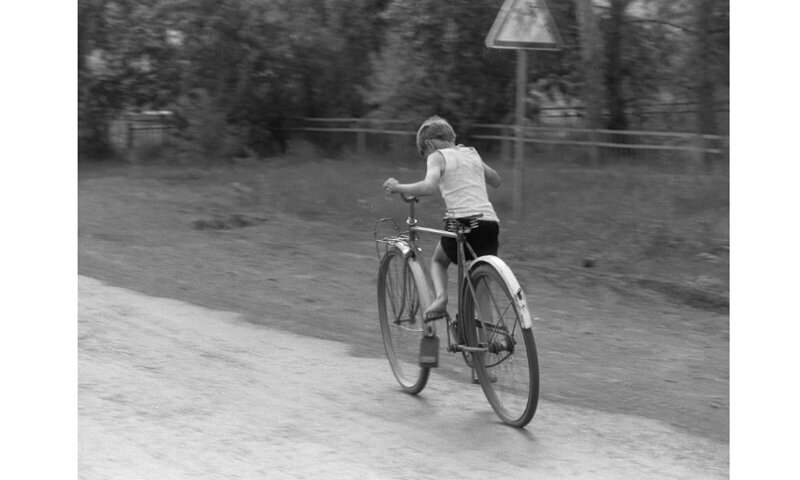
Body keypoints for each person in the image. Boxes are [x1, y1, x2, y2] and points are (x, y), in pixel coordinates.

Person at [383, 116, 502, 319]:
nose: (427, 158)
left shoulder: (437, 156)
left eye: (424, 154)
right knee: (481, 291)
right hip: (489, 224)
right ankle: (488, 345)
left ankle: (441, 298)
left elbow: (429, 186)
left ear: (429, 144)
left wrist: (397, 188)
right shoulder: (471, 152)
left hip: (461, 222)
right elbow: (496, 180)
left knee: (438, 260)